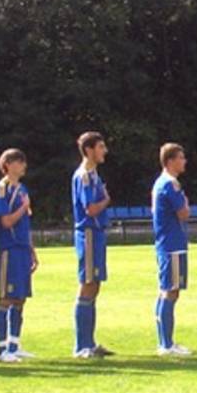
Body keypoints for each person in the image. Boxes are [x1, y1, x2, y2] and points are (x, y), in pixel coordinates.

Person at [71, 131, 116, 358]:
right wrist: (106, 199)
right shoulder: (85, 176)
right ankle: (82, 346)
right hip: (88, 234)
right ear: (89, 150)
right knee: (88, 284)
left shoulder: (93, 175)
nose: (104, 151)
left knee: (94, 285)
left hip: (96, 234)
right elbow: (90, 209)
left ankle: (89, 342)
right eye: (100, 147)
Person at [0, 148, 37, 362]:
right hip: (9, 249)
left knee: (20, 298)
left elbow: (25, 223)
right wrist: (23, 208)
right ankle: (1, 349)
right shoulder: (2, 189)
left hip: (22, 248)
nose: (23, 166)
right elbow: (6, 221)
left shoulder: (22, 189)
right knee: (6, 297)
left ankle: (14, 345)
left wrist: (32, 250)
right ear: (8, 165)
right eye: (19, 162)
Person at [151, 143, 192, 356]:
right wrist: (185, 202)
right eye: (181, 158)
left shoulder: (161, 183)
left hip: (166, 243)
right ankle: (167, 344)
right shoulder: (170, 184)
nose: (184, 161)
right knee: (171, 292)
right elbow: (183, 213)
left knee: (165, 290)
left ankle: (165, 342)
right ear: (170, 161)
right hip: (173, 244)